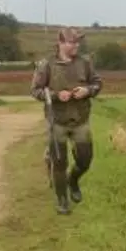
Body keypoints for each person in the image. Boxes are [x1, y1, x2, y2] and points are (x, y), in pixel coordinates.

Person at [30, 27, 103, 215]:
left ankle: (73, 181)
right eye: (72, 42)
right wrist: (55, 95)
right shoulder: (46, 65)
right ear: (61, 43)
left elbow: (97, 83)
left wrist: (87, 91)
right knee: (59, 162)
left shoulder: (85, 63)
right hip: (57, 121)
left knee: (85, 161)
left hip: (80, 119)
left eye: (78, 42)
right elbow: (35, 90)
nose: (76, 45)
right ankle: (62, 200)